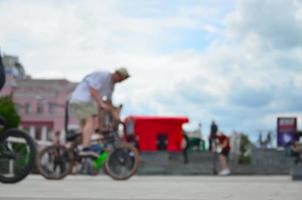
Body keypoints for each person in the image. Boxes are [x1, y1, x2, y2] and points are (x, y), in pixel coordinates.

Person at [69, 67, 130, 158]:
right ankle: (85, 148)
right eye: (122, 78)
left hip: (87, 103)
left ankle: (73, 147)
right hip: (81, 100)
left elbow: (109, 103)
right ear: (117, 74)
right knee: (90, 122)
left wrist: (117, 118)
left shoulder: (111, 86)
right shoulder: (104, 75)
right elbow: (93, 90)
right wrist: (101, 103)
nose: (121, 81)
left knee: (85, 128)